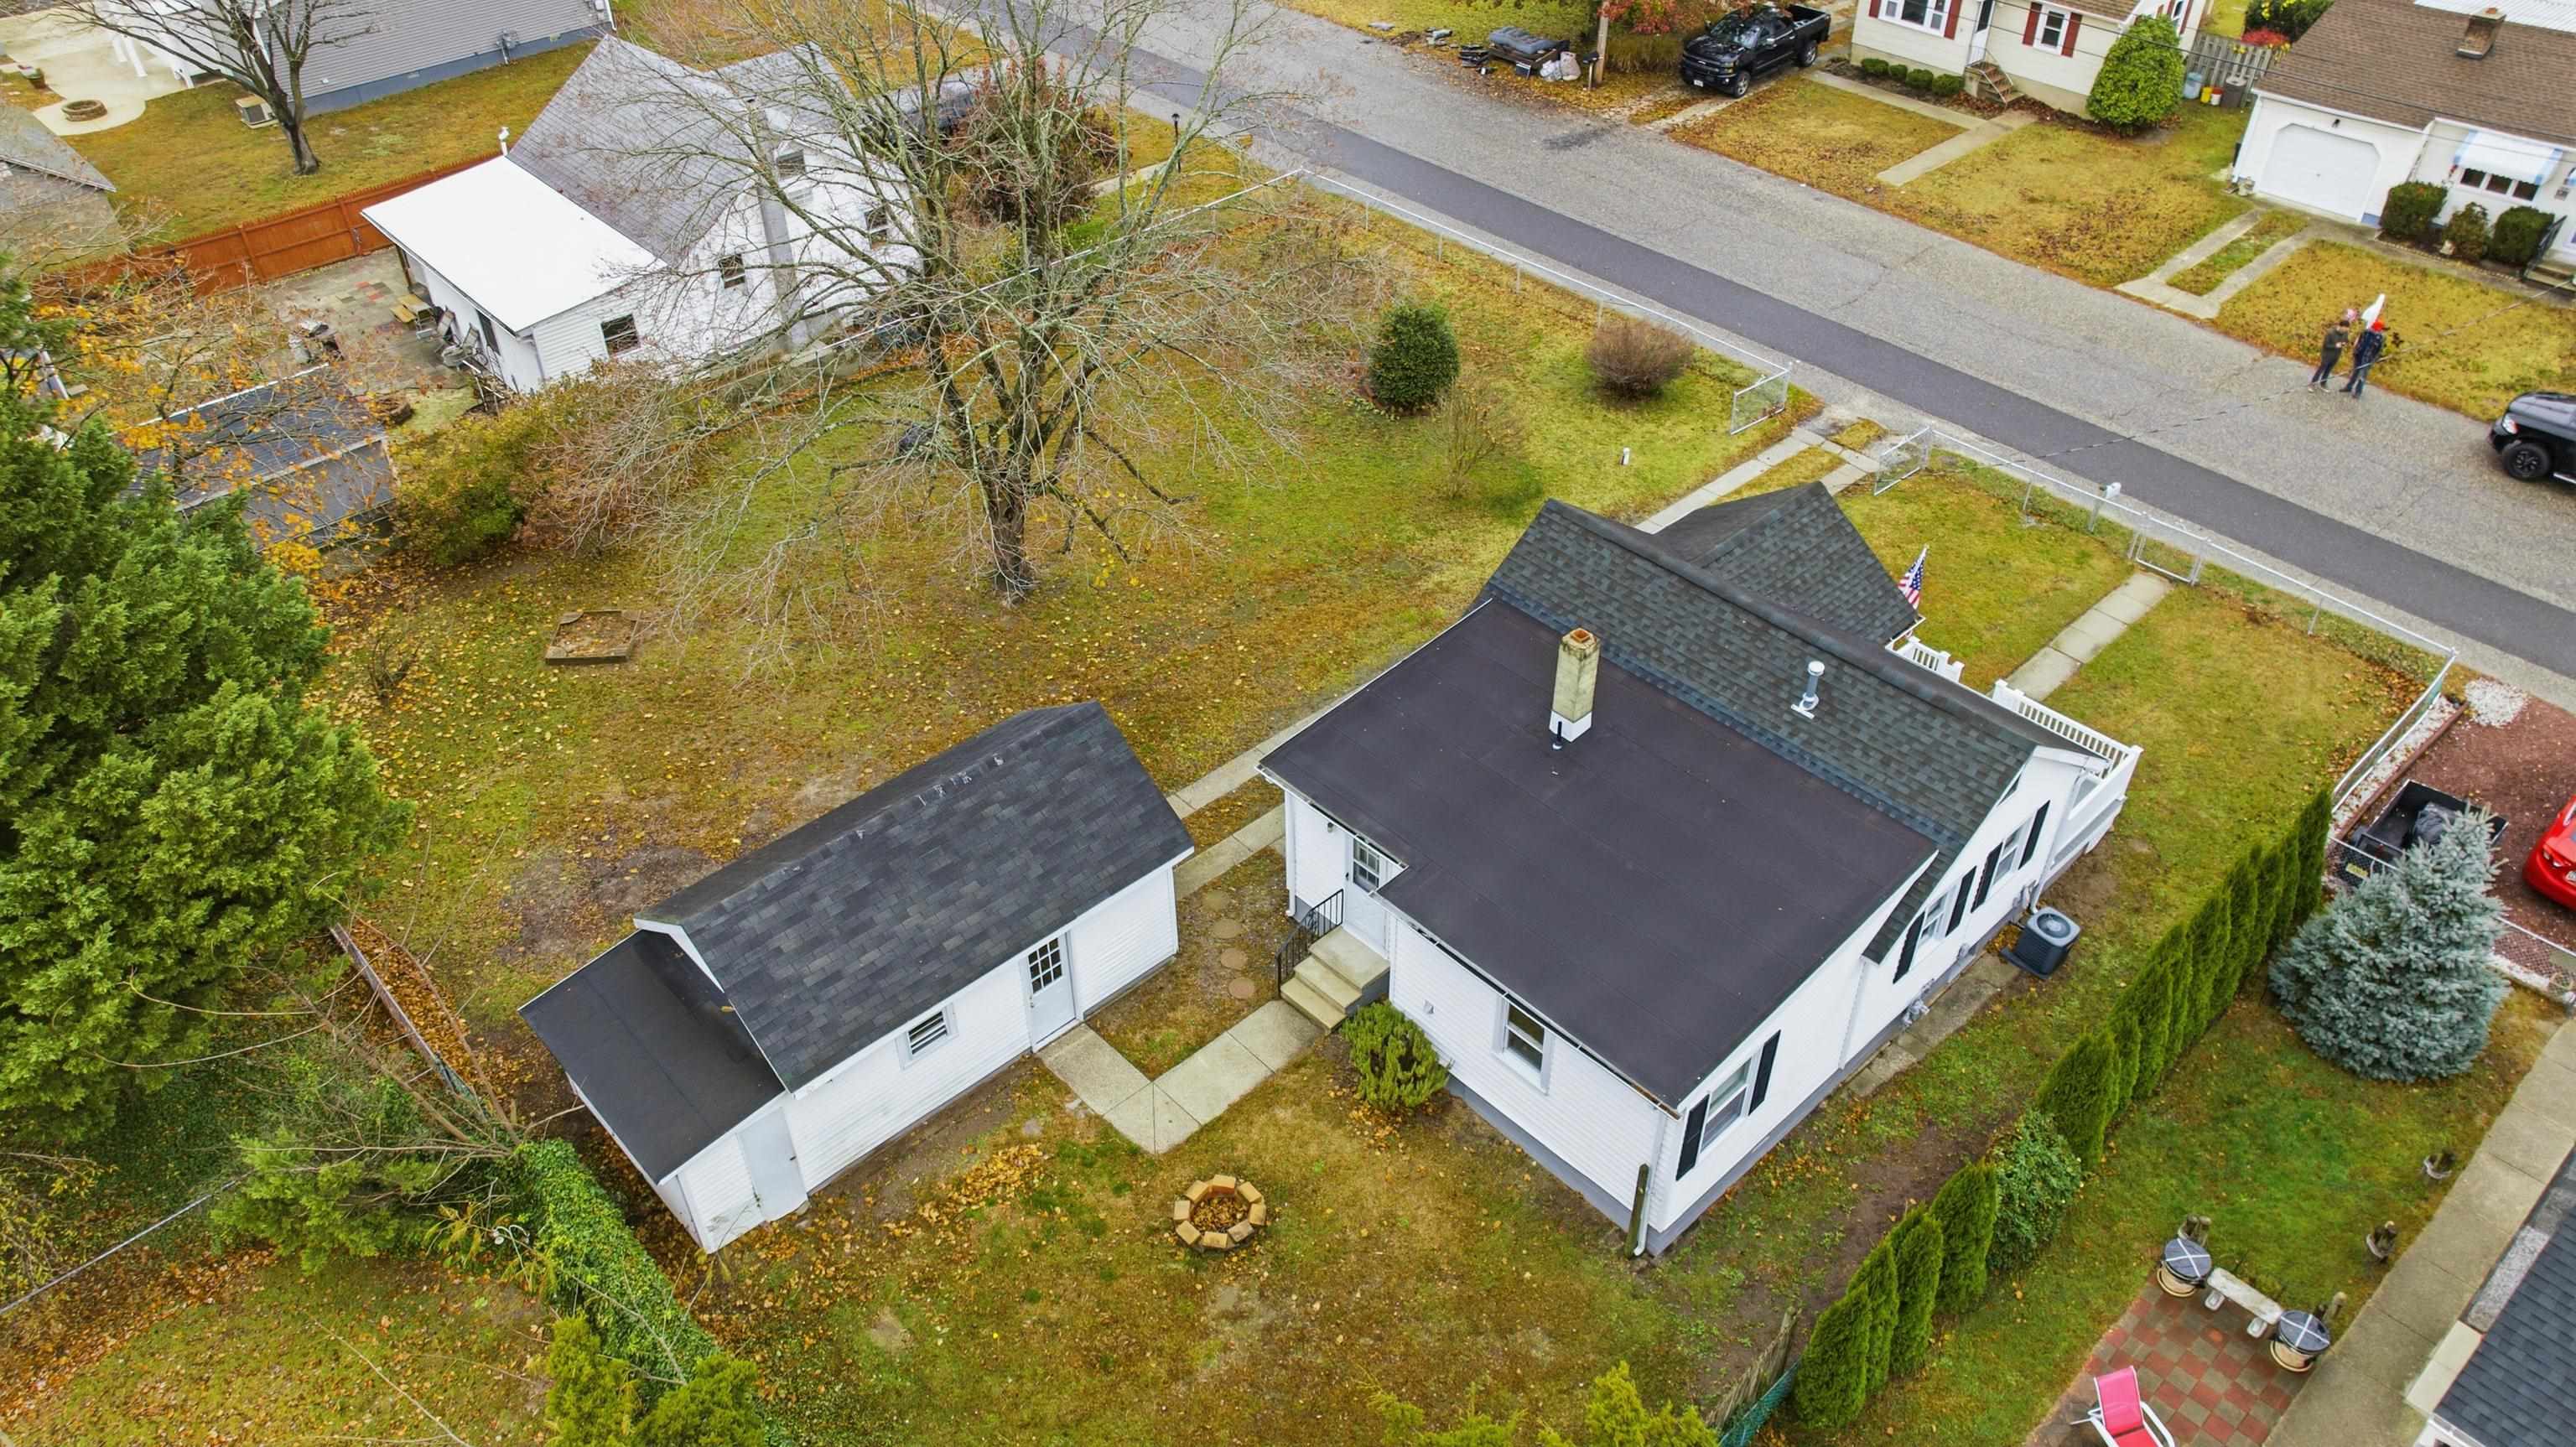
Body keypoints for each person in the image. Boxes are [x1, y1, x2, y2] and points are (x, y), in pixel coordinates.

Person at [2343, 317, 2387, 397]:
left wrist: (2373, 360)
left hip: (2368, 359)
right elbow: (2359, 341)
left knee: (2362, 376)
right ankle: (2349, 387)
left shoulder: (2381, 337)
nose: (2380, 330)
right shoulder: (2366, 332)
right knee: (2355, 373)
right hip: (2359, 355)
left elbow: (2379, 350)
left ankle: (2358, 392)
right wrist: (2355, 350)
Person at [2311, 310, 2354, 389]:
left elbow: (2346, 340)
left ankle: (2323, 383)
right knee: (2321, 369)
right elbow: (2326, 345)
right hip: (2327, 355)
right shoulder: (2330, 333)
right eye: (2345, 329)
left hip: (2336, 355)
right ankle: (2313, 383)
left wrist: (2345, 343)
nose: (2346, 331)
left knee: (2328, 370)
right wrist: (2335, 346)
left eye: (2347, 329)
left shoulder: (2345, 333)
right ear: (2341, 326)